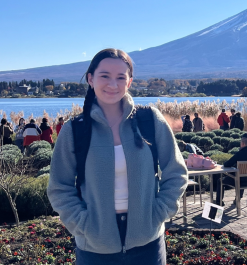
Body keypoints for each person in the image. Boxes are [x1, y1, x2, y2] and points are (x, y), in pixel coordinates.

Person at [47, 48, 187, 265]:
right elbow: (59, 187)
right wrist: (84, 226)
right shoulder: (74, 130)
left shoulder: (149, 120)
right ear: (91, 79)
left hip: (148, 245)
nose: (113, 84)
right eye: (105, 76)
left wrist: (158, 214)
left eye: (120, 77)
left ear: (129, 82)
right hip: (95, 250)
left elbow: (176, 172)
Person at [214, 133, 247, 206]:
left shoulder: (239, 154)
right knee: (242, 176)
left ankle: (219, 201)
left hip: (237, 181)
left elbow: (227, 164)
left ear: (242, 143)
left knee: (220, 181)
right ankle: (238, 199)